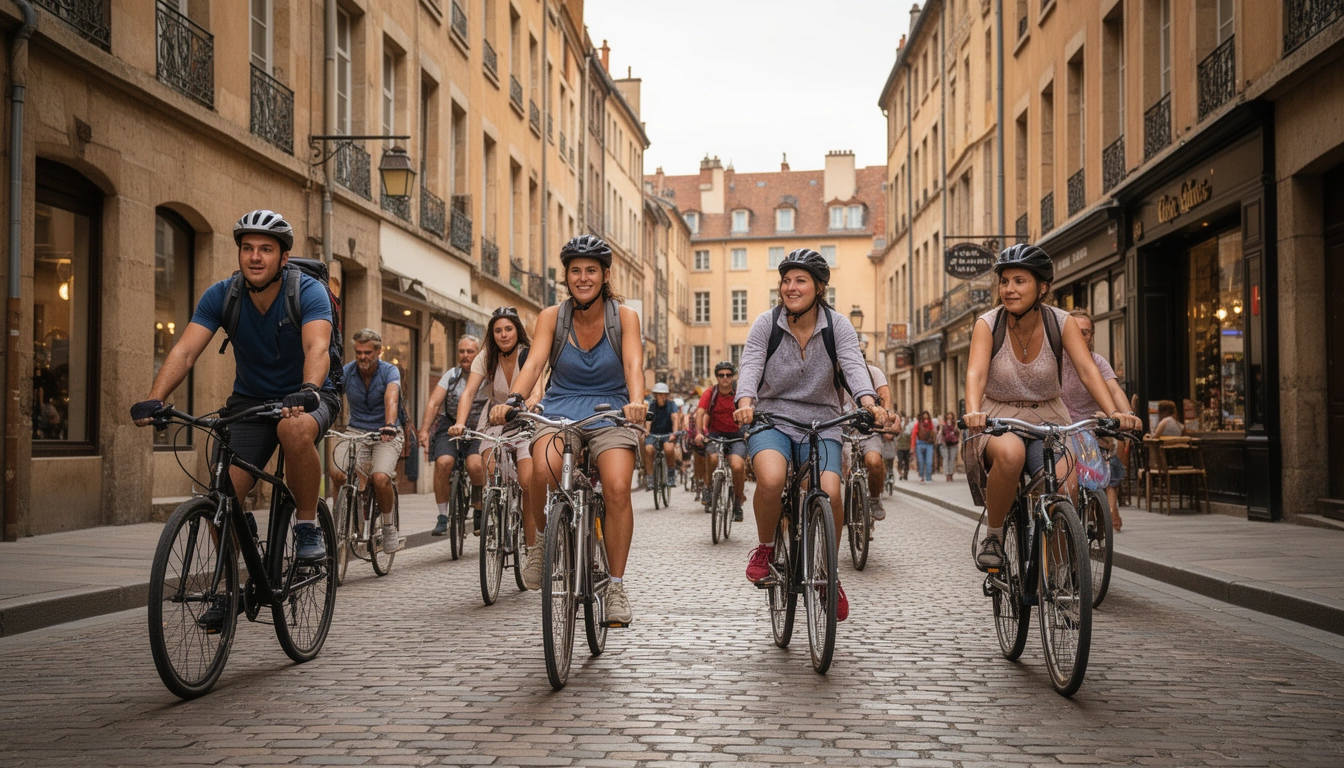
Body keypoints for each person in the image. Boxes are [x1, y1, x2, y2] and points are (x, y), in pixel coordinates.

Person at [132, 210, 341, 628]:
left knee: (293, 427)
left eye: (266, 249)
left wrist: (308, 389)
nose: (255, 257)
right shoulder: (222, 296)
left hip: (310, 394)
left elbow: (317, 347)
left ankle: (305, 527)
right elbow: (185, 351)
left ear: (284, 257)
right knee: (221, 495)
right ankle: (232, 589)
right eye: (248, 248)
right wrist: (155, 399)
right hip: (249, 401)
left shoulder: (309, 292)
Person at [487, 235, 645, 624]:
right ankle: (542, 542)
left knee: (618, 485)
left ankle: (616, 585)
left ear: (605, 275)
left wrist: (637, 402)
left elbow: (633, 366)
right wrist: (513, 401)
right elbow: (534, 363)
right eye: (576, 270)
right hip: (560, 407)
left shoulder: (623, 317)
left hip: (611, 408)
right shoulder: (550, 317)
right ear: (567, 276)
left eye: (591, 270)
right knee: (542, 468)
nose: (583, 277)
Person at [963, 244, 1142, 570]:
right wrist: (974, 410)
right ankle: (995, 534)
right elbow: (975, 373)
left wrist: (1115, 414)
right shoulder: (988, 324)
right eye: (1004, 281)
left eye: (1020, 281)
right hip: (999, 415)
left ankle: (1055, 574)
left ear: (1042, 287)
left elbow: (1089, 371)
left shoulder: (1062, 323)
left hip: (1050, 417)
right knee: (1011, 454)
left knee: (1066, 482)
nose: (1009, 289)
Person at [734, 248, 886, 622]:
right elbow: (751, 365)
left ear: (819, 288)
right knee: (770, 479)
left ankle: (827, 576)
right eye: (786, 280)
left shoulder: (838, 326)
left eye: (800, 280)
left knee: (830, 491)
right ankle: (767, 549)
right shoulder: (765, 324)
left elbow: (853, 366)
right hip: (771, 417)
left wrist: (869, 402)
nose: (790, 287)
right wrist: (745, 400)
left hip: (823, 422)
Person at [446, 307, 543, 557]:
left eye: (508, 329)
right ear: (492, 333)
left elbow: (537, 390)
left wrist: (530, 403)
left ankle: (533, 550)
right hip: (495, 421)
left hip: (525, 422)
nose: (503, 334)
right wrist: (460, 421)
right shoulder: (486, 357)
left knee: (527, 483)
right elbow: (468, 392)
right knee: (491, 472)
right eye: (498, 330)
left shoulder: (529, 354)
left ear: (517, 330)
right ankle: (498, 513)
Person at [330, 328, 406, 553]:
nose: (362, 357)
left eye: (367, 352)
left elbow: (391, 397)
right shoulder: (347, 372)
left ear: (379, 351)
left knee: (381, 478)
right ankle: (341, 524)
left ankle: (389, 527)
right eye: (358, 352)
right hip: (356, 431)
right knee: (337, 473)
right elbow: (332, 395)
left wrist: (390, 425)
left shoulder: (389, 371)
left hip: (387, 433)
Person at [1060, 309, 1136, 532]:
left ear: (1091, 336)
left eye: (1086, 332)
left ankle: (1097, 510)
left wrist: (1128, 416)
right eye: (1076, 331)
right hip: (1059, 431)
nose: (1081, 337)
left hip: (1090, 432)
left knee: (1098, 478)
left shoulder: (1098, 362)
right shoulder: (1054, 362)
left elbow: (1114, 390)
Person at [421, 335, 486, 536]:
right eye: (462, 351)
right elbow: (433, 403)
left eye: (470, 351)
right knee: (443, 462)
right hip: (450, 425)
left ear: (478, 353)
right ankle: (442, 516)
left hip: (478, 427)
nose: (465, 355)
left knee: (475, 464)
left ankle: (478, 507)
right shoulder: (451, 375)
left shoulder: (487, 376)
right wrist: (424, 430)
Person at [842, 363, 894, 521]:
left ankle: (874, 499)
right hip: (843, 432)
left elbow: (885, 396)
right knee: (844, 470)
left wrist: (886, 416)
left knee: (874, 462)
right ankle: (845, 504)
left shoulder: (874, 373)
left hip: (869, 431)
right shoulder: (834, 371)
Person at [697, 361, 747, 522]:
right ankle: (709, 488)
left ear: (733, 376)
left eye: (728, 375)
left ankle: (738, 502)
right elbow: (700, 412)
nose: (725, 378)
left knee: (737, 465)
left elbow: (750, 411)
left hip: (737, 435)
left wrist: (748, 432)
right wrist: (699, 433)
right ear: (717, 377)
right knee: (711, 458)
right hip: (716, 434)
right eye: (721, 375)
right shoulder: (710, 393)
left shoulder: (740, 393)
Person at [643, 382, 681, 490]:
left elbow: (675, 418)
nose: (662, 396)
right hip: (654, 434)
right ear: (655, 395)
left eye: (664, 394)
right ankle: (650, 478)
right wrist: (647, 431)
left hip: (667, 434)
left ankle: (671, 474)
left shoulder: (671, 405)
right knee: (648, 449)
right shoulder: (652, 405)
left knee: (668, 449)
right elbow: (649, 420)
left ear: (667, 395)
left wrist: (674, 433)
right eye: (659, 394)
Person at [914, 411, 936, 483]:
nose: (926, 418)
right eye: (924, 417)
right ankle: (921, 476)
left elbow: (933, 433)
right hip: (920, 443)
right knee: (920, 461)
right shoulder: (918, 424)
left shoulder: (931, 424)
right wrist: (912, 446)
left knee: (929, 461)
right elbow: (914, 434)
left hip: (929, 444)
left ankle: (928, 477)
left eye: (927, 417)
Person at [938, 411, 960, 482]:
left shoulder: (955, 425)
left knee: (952, 459)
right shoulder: (943, 425)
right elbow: (939, 434)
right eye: (948, 417)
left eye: (951, 417)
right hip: (945, 444)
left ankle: (951, 473)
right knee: (946, 459)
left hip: (954, 444)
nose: (949, 419)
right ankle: (947, 474)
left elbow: (958, 434)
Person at [895, 413, 913, 481]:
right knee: (900, 460)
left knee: (906, 461)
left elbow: (911, 437)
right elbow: (897, 437)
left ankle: (906, 473)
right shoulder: (900, 426)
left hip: (907, 447)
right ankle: (900, 473)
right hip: (900, 447)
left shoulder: (910, 426)